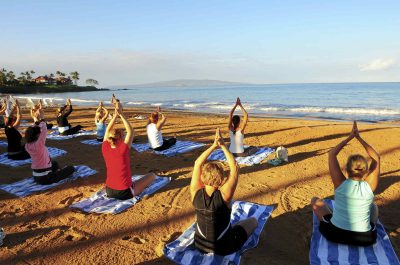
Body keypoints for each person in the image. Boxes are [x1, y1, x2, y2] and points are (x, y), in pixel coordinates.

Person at [190, 128, 258, 255]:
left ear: (202, 177)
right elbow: (235, 166)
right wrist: (223, 145)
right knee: (253, 221)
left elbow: (197, 163)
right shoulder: (225, 195)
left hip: (200, 245)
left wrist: (213, 146)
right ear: (222, 181)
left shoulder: (195, 192)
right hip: (223, 247)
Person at [311, 121, 380, 246]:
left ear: (346, 170)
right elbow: (376, 157)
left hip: (336, 234)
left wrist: (350, 137)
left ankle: (334, 217)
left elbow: (332, 154)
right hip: (366, 239)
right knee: (374, 206)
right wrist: (359, 138)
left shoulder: (340, 184)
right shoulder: (370, 186)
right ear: (366, 171)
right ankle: (371, 225)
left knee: (315, 200)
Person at [102, 98, 155, 200]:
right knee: (152, 176)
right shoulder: (123, 149)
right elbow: (131, 130)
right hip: (124, 193)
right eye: (124, 135)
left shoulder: (105, 147)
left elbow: (108, 129)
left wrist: (115, 116)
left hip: (109, 190)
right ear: (121, 138)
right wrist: (121, 114)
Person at [25, 108, 75, 185]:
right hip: (46, 178)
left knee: (54, 163)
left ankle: (57, 172)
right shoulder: (39, 143)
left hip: (36, 176)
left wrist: (36, 119)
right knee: (71, 168)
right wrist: (41, 117)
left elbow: (33, 129)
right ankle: (56, 174)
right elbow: (44, 129)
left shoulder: (27, 145)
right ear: (37, 135)